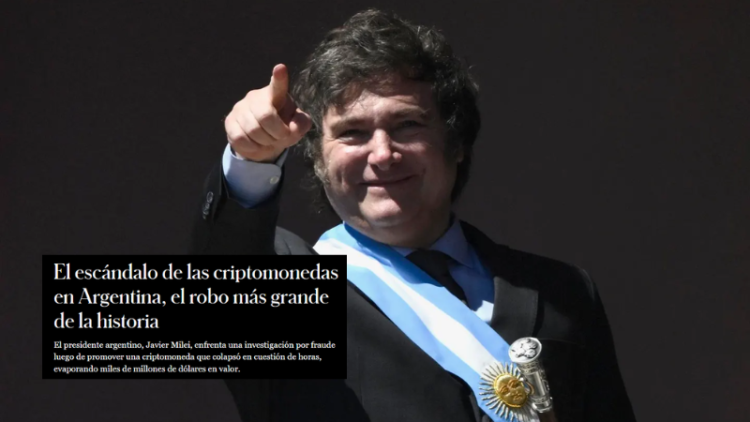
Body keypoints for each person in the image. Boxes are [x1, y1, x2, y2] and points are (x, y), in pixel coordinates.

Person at [190, 9, 635, 422]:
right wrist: (250, 161)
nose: (383, 154)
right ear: (319, 160)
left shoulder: (563, 292)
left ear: (456, 142)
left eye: (407, 125)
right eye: (352, 133)